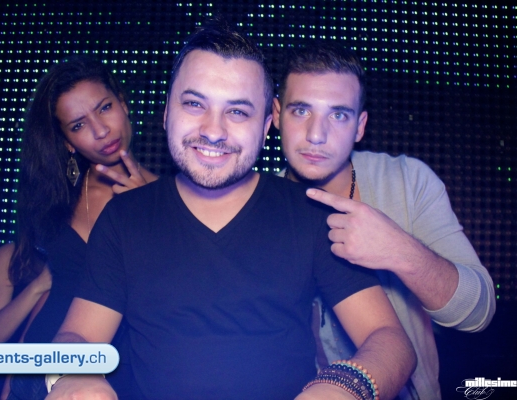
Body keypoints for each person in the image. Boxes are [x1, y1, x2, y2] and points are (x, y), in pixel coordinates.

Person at [46, 24, 415, 400]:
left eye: (237, 111)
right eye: (194, 104)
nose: (213, 131)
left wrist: (345, 387)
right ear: (167, 111)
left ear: (266, 126)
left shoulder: (310, 214)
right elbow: (78, 335)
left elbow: (390, 340)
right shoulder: (124, 217)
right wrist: (73, 377)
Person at [272, 41, 496, 399]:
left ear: (360, 126)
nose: (316, 134)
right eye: (301, 111)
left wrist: (400, 251)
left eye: (338, 115)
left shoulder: (407, 181)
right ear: (276, 114)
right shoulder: (259, 206)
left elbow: (478, 313)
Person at [0, 56, 157, 399]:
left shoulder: (169, 198)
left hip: (109, 380)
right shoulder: (60, 199)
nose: (100, 130)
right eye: (78, 125)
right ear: (67, 142)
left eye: (104, 108)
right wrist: (10, 386)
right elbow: (51, 297)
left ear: (122, 102)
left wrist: (149, 213)